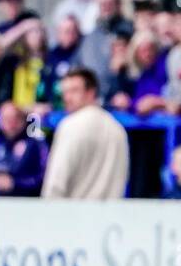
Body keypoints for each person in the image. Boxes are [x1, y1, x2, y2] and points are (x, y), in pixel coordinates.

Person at [41, 68, 130, 199]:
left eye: (74, 91)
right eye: (64, 92)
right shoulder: (118, 129)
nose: (66, 97)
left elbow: (56, 183)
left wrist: (48, 212)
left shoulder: (69, 125)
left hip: (73, 215)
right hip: (110, 216)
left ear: (91, 92)